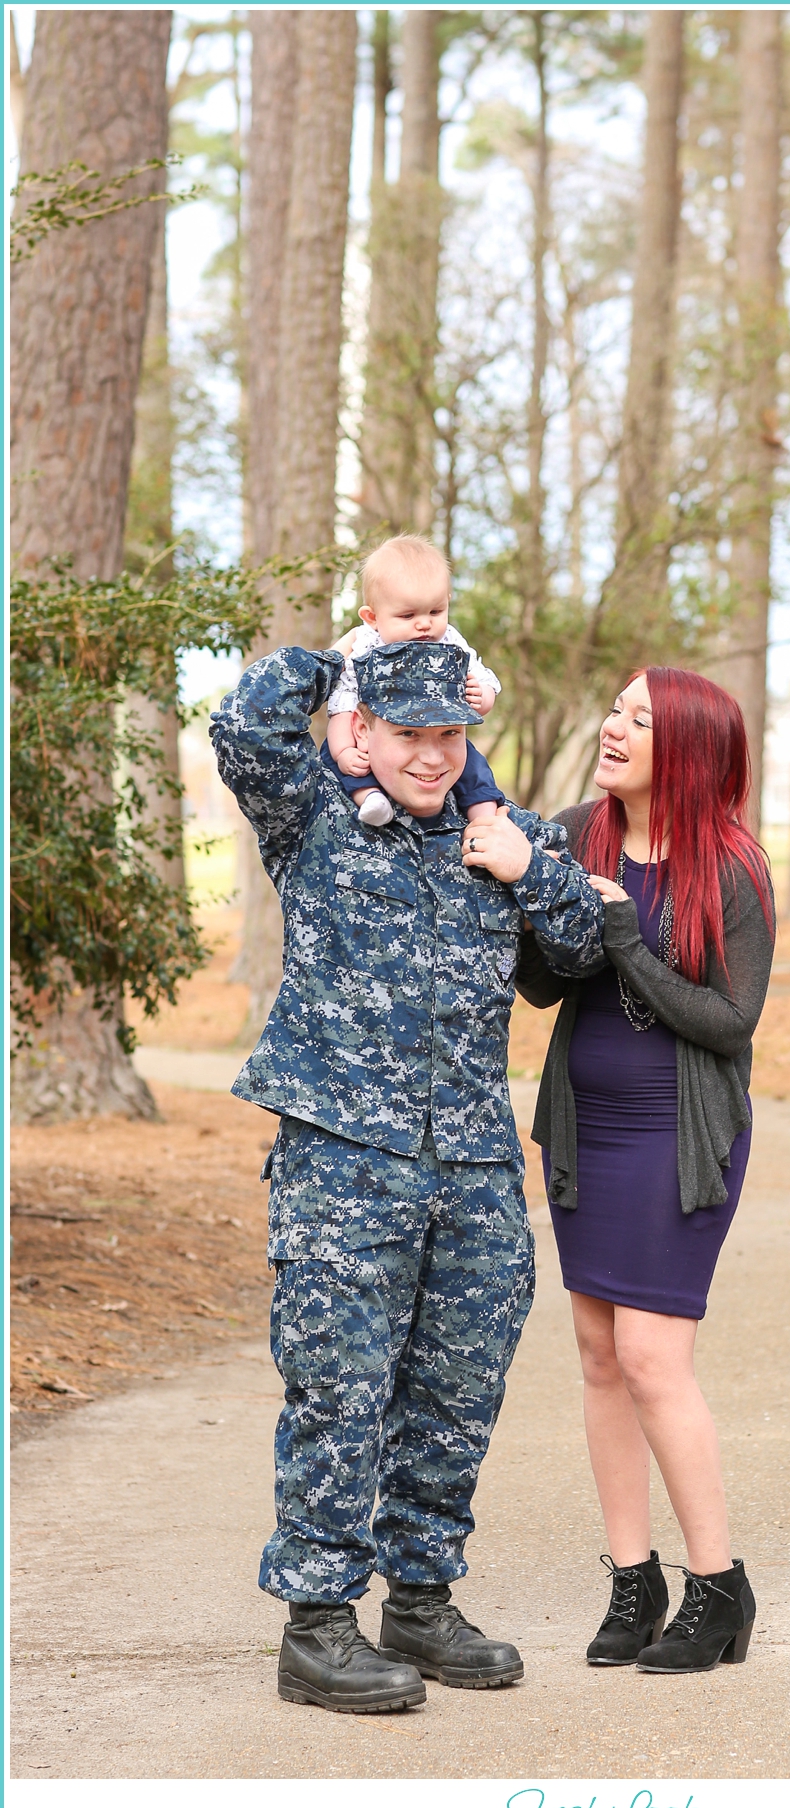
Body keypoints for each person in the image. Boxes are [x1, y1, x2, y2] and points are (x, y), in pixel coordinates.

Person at [210, 636, 605, 1714]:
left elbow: (579, 948)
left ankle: (421, 1599)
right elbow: (241, 731)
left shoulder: (496, 830)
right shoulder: (316, 823)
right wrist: (331, 655)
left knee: (455, 1391)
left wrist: (528, 868)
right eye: (408, 733)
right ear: (363, 732)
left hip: (473, 1163)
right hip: (343, 1156)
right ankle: (318, 1623)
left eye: (447, 733)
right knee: (339, 1389)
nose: (431, 755)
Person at [516, 666, 776, 1674]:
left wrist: (623, 934)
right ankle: (636, 1580)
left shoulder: (733, 866)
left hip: (678, 1130)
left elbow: (728, 1021)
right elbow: (544, 984)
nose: (612, 725)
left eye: (639, 718)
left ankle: (720, 1586)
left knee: (656, 1359)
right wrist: (526, 900)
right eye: (614, 707)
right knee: (597, 1355)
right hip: (586, 1124)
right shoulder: (581, 831)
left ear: (691, 750)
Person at [326, 532, 505, 829]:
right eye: (408, 615)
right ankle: (369, 797)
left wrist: (482, 696)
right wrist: (344, 749)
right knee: (345, 762)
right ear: (372, 617)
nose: (424, 624)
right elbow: (343, 703)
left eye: (436, 611)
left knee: (475, 766)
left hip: (441, 714)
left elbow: (482, 677)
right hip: (363, 743)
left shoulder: (450, 641)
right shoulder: (366, 647)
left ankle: (485, 818)